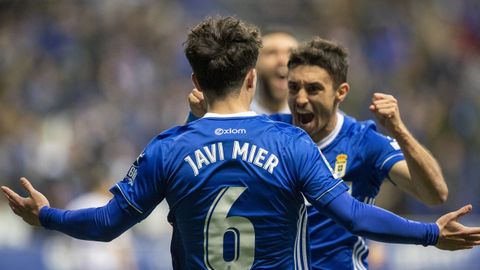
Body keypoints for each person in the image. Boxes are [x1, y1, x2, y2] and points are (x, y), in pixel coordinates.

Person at [2, 17, 479, 270]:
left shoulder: (168, 147)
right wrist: (432, 235)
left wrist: (46, 215)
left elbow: (107, 224)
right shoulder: (291, 143)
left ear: (195, 79)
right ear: (252, 77)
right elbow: (353, 214)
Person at [188, 37, 449, 269]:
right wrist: (198, 115)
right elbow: (199, 162)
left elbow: (434, 193)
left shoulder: (363, 142)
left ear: (341, 93)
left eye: (313, 89)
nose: (300, 99)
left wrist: (400, 131)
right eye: (293, 88)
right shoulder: (270, 134)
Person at [250, 30, 298, 114]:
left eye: (290, 53)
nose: (282, 60)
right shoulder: (240, 118)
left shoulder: (309, 120)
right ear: (256, 63)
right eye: (271, 52)